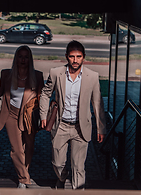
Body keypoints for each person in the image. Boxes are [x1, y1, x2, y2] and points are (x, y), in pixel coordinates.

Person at [39, 40, 106, 190]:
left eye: (78, 56)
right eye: (72, 56)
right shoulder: (56, 73)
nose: (75, 60)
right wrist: (43, 115)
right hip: (60, 125)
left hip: (80, 128)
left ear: (84, 57)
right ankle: (62, 178)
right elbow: (45, 94)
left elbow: (98, 104)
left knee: (79, 166)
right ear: (66, 57)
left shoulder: (92, 76)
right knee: (57, 163)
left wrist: (101, 128)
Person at [0, 45, 44, 188]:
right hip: (11, 114)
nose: (23, 60)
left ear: (30, 59)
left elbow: (42, 97)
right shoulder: (6, 74)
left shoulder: (37, 76)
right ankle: (24, 179)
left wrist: (43, 117)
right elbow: (0, 91)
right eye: (20, 56)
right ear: (16, 58)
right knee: (16, 149)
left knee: (29, 147)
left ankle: (24, 173)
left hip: (29, 116)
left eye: (26, 57)